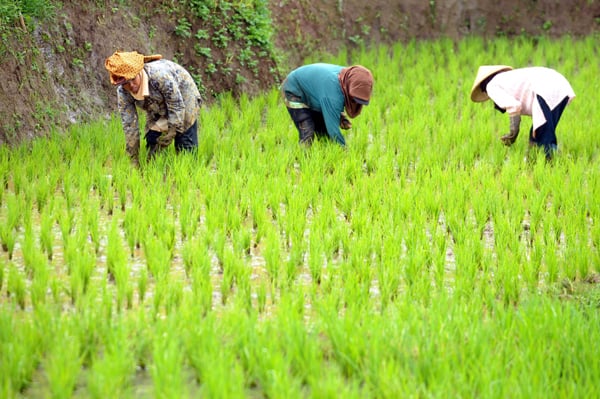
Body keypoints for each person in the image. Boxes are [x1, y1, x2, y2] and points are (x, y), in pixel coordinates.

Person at [104, 51, 202, 163]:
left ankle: (188, 171)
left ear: (138, 73)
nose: (131, 86)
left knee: (184, 141)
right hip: (156, 105)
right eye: (126, 83)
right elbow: (129, 126)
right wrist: (133, 160)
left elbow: (176, 106)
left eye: (133, 80)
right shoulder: (123, 93)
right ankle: (155, 167)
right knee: (152, 137)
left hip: (184, 98)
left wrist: (171, 133)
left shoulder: (159, 76)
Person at [470, 65, 575, 160]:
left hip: (545, 89)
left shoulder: (491, 86)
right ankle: (533, 162)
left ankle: (558, 164)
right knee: (536, 133)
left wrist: (513, 133)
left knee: (544, 137)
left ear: (483, 87)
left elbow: (514, 106)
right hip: (560, 84)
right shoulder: (506, 78)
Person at [281, 63, 373, 146]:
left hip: (315, 93)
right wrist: (344, 150)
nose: (356, 103)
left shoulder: (347, 77)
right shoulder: (333, 93)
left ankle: (324, 157)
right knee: (307, 130)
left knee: (324, 134)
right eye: (354, 99)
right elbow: (333, 130)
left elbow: (331, 99)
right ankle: (304, 159)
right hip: (294, 90)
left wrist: (338, 114)